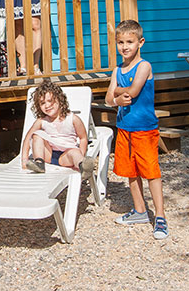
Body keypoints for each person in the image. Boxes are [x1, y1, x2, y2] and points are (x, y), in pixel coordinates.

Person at [105, 19, 168, 240]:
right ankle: (140, 210)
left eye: (129, 42)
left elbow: (132, 91)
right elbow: (108, 99)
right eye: (120, 42)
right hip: (124, 128)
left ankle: (160, 216)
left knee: (151, 172)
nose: (125, 47)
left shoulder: (144, 66)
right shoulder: (117, 69)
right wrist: (116, 99)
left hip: (144, 129)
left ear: (140, 42)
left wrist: (117, 92)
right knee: (131, 172)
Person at [21, 80, 95, 178]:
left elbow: (83, 138)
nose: (47, 105)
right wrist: (24, 160)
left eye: (50, 101)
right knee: (36, 135)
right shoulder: (41, 121)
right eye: (42, 103)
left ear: (60, 99)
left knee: (75, 153)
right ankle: (39, 163)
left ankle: (83, 166)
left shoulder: (73, 119)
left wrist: (81, 155)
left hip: (66, 155)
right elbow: (27, 138)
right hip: (48, 154)